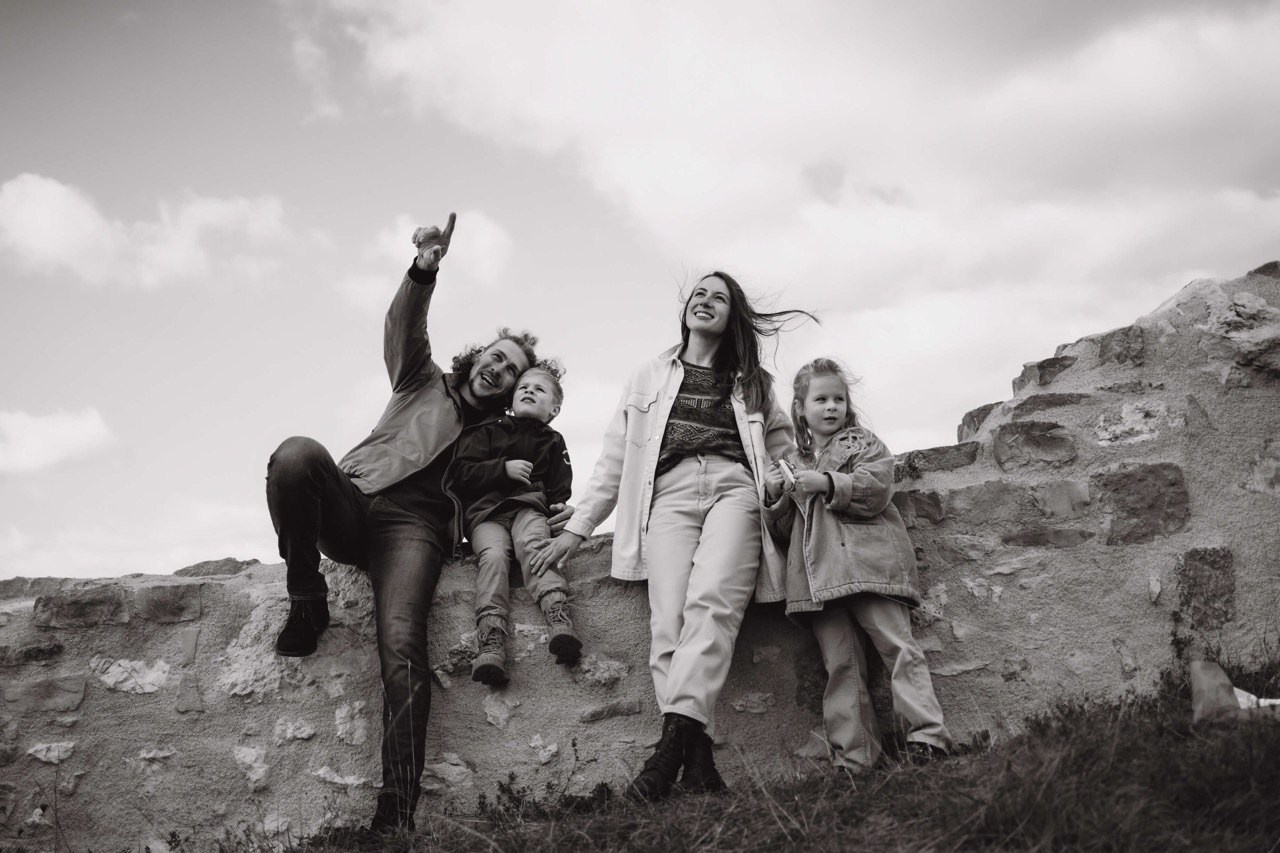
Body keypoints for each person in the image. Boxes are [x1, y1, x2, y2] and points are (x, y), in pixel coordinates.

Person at [264, 214, 566, 832]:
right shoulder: (420, 379)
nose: (500, 369)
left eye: (512, 370)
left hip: (416, 531)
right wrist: (424, 268)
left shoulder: (495, 435)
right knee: (294, 455)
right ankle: (306, 597)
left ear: (513, 389)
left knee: (403, 647)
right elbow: (404, 325)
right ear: (478, 355)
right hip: (356, 496)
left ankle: (395, 810)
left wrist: (552, 509)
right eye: (497, 356)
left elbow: (529, 479)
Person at [533, 272, 814, 800]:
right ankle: (697, 759)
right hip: (667, 494)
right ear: (685, 309)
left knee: (714, 604)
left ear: (732, 318)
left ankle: (665, 755)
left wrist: (790, 481)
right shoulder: (648, 374)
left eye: (720, 298)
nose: (706, 302)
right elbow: (616, 458)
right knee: (668, 622)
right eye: (699, 294)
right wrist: (577, 527)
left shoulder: (754, 382)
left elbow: (783, 455)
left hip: (734, 489)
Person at [764, 357, 953, 774]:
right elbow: (783, 536)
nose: (831, 406)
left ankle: (927, 738)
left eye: (838, 399)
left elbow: (878, 487)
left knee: (898, 649)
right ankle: (854, 758)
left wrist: (829, 483)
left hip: (869, 566)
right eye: (820, 399)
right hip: (820, 581)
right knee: (841, 666)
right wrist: (775, 499)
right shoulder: (792, 463)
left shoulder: (862, 444)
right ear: (800, 409)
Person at [445, 364, 581, 686]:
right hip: (485, 515)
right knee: (492, 557)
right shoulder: (487, 431)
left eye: (539, 389)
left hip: (528, 507)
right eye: (524, 387)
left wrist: (561, 505)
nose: (529, 391)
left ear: (554, 409)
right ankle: (491, 641)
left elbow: (560, 484)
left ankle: (558, 617)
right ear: (511, 399)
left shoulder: (553, 439)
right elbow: (460, 474)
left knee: (534, 545)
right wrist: (501, 470)